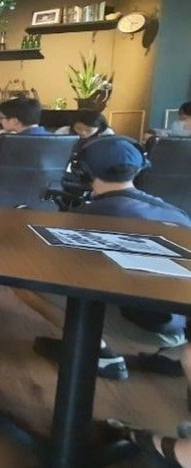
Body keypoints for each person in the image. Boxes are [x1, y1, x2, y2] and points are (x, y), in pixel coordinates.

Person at [34, 136, 191, 380]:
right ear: (140, 168)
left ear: (82, 171)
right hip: (182, 325)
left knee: (32, 283)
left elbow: (59, 264)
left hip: (146, 324)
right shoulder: (175, 213)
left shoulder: (90, 216)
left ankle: (98, 352)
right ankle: (172, 356)